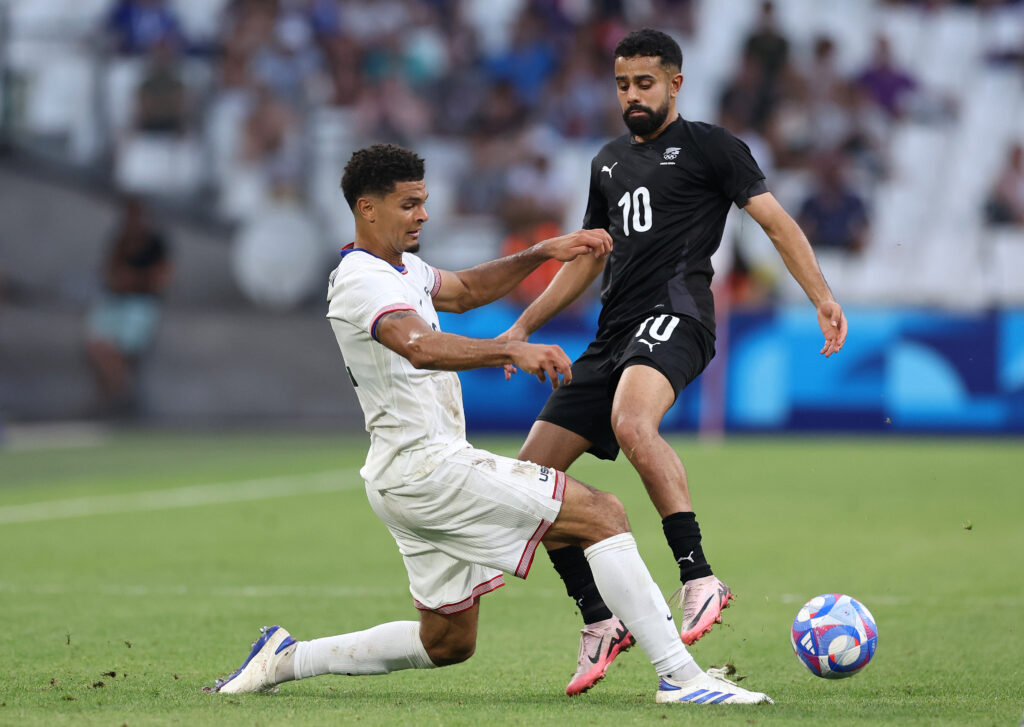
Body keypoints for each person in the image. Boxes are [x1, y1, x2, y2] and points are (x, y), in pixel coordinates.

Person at [207, 144, 773, 706]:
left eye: (423, 202)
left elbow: (468, 290)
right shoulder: (361, 280)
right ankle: (681, 677)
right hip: (428, 469)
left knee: (448, 641)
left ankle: (285, 658)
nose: (423, 214)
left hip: (404, 475)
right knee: (602, 514)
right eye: (408, 205)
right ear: (367, 209)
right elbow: (420, 347)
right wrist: (508, 350)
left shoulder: (399, 269)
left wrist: (544, 251)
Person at [499, 29, 847, 695]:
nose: (632, 95)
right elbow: (588, 260)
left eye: (645, 83)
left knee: (634, 423)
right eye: (623, 84)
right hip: (611, 337)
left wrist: (821, 296)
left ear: (675, 84)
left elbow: (775, 222)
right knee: (527, 484)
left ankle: (698, 575)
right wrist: (520, 325)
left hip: (678, 316)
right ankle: (599, 619)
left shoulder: (712, 147)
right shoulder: (605, 162)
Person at [84, 196, 173, 416]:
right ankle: (119, 394)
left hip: (141, 303)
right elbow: (108, 272)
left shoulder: (156, 243)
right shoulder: (120, 240)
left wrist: (135, 279)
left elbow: (162, 277)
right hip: (114, 301)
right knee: (98, 344)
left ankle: (118, 396)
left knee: (119, 348)